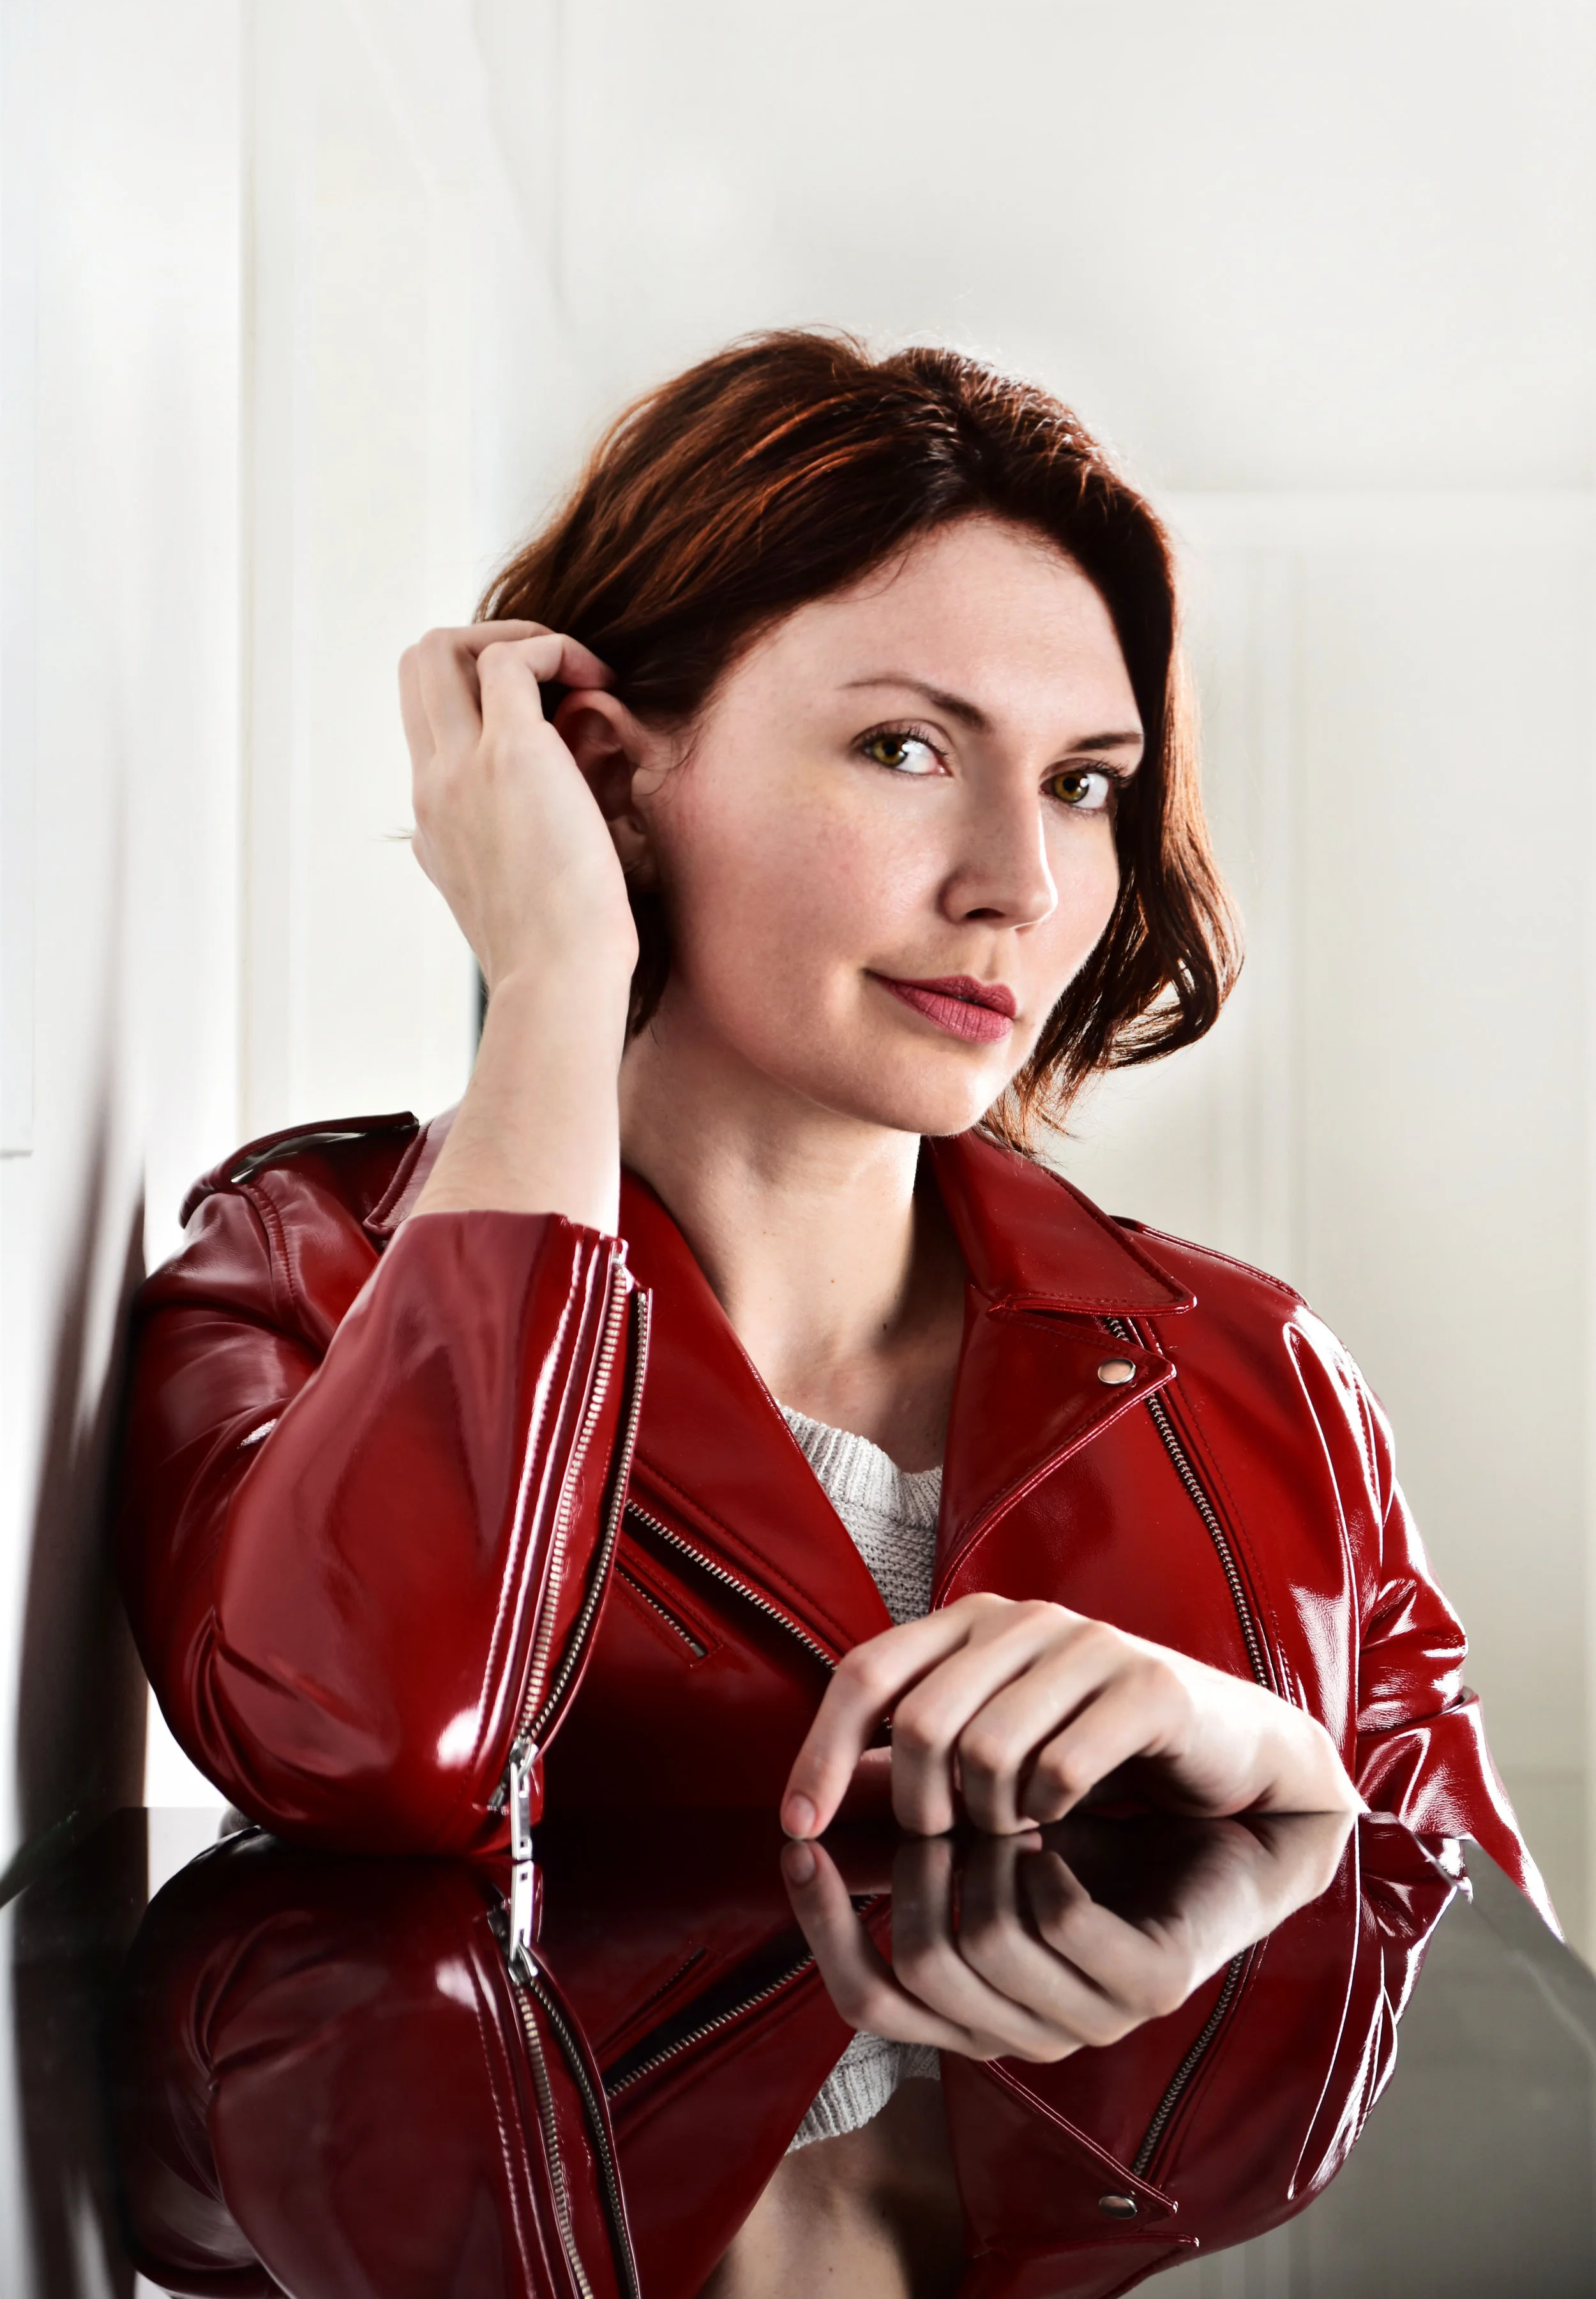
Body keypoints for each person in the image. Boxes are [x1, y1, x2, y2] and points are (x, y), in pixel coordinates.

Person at [117, 331, 1549, 2291]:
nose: (1018, 883)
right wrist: (549, 984)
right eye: (905, 748)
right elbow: (375, 1755)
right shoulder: (308, 1269)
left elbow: (1493, 2071)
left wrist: (1281, 1776)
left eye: (1084, 784)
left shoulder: (1259, 1382)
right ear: (605, 772)